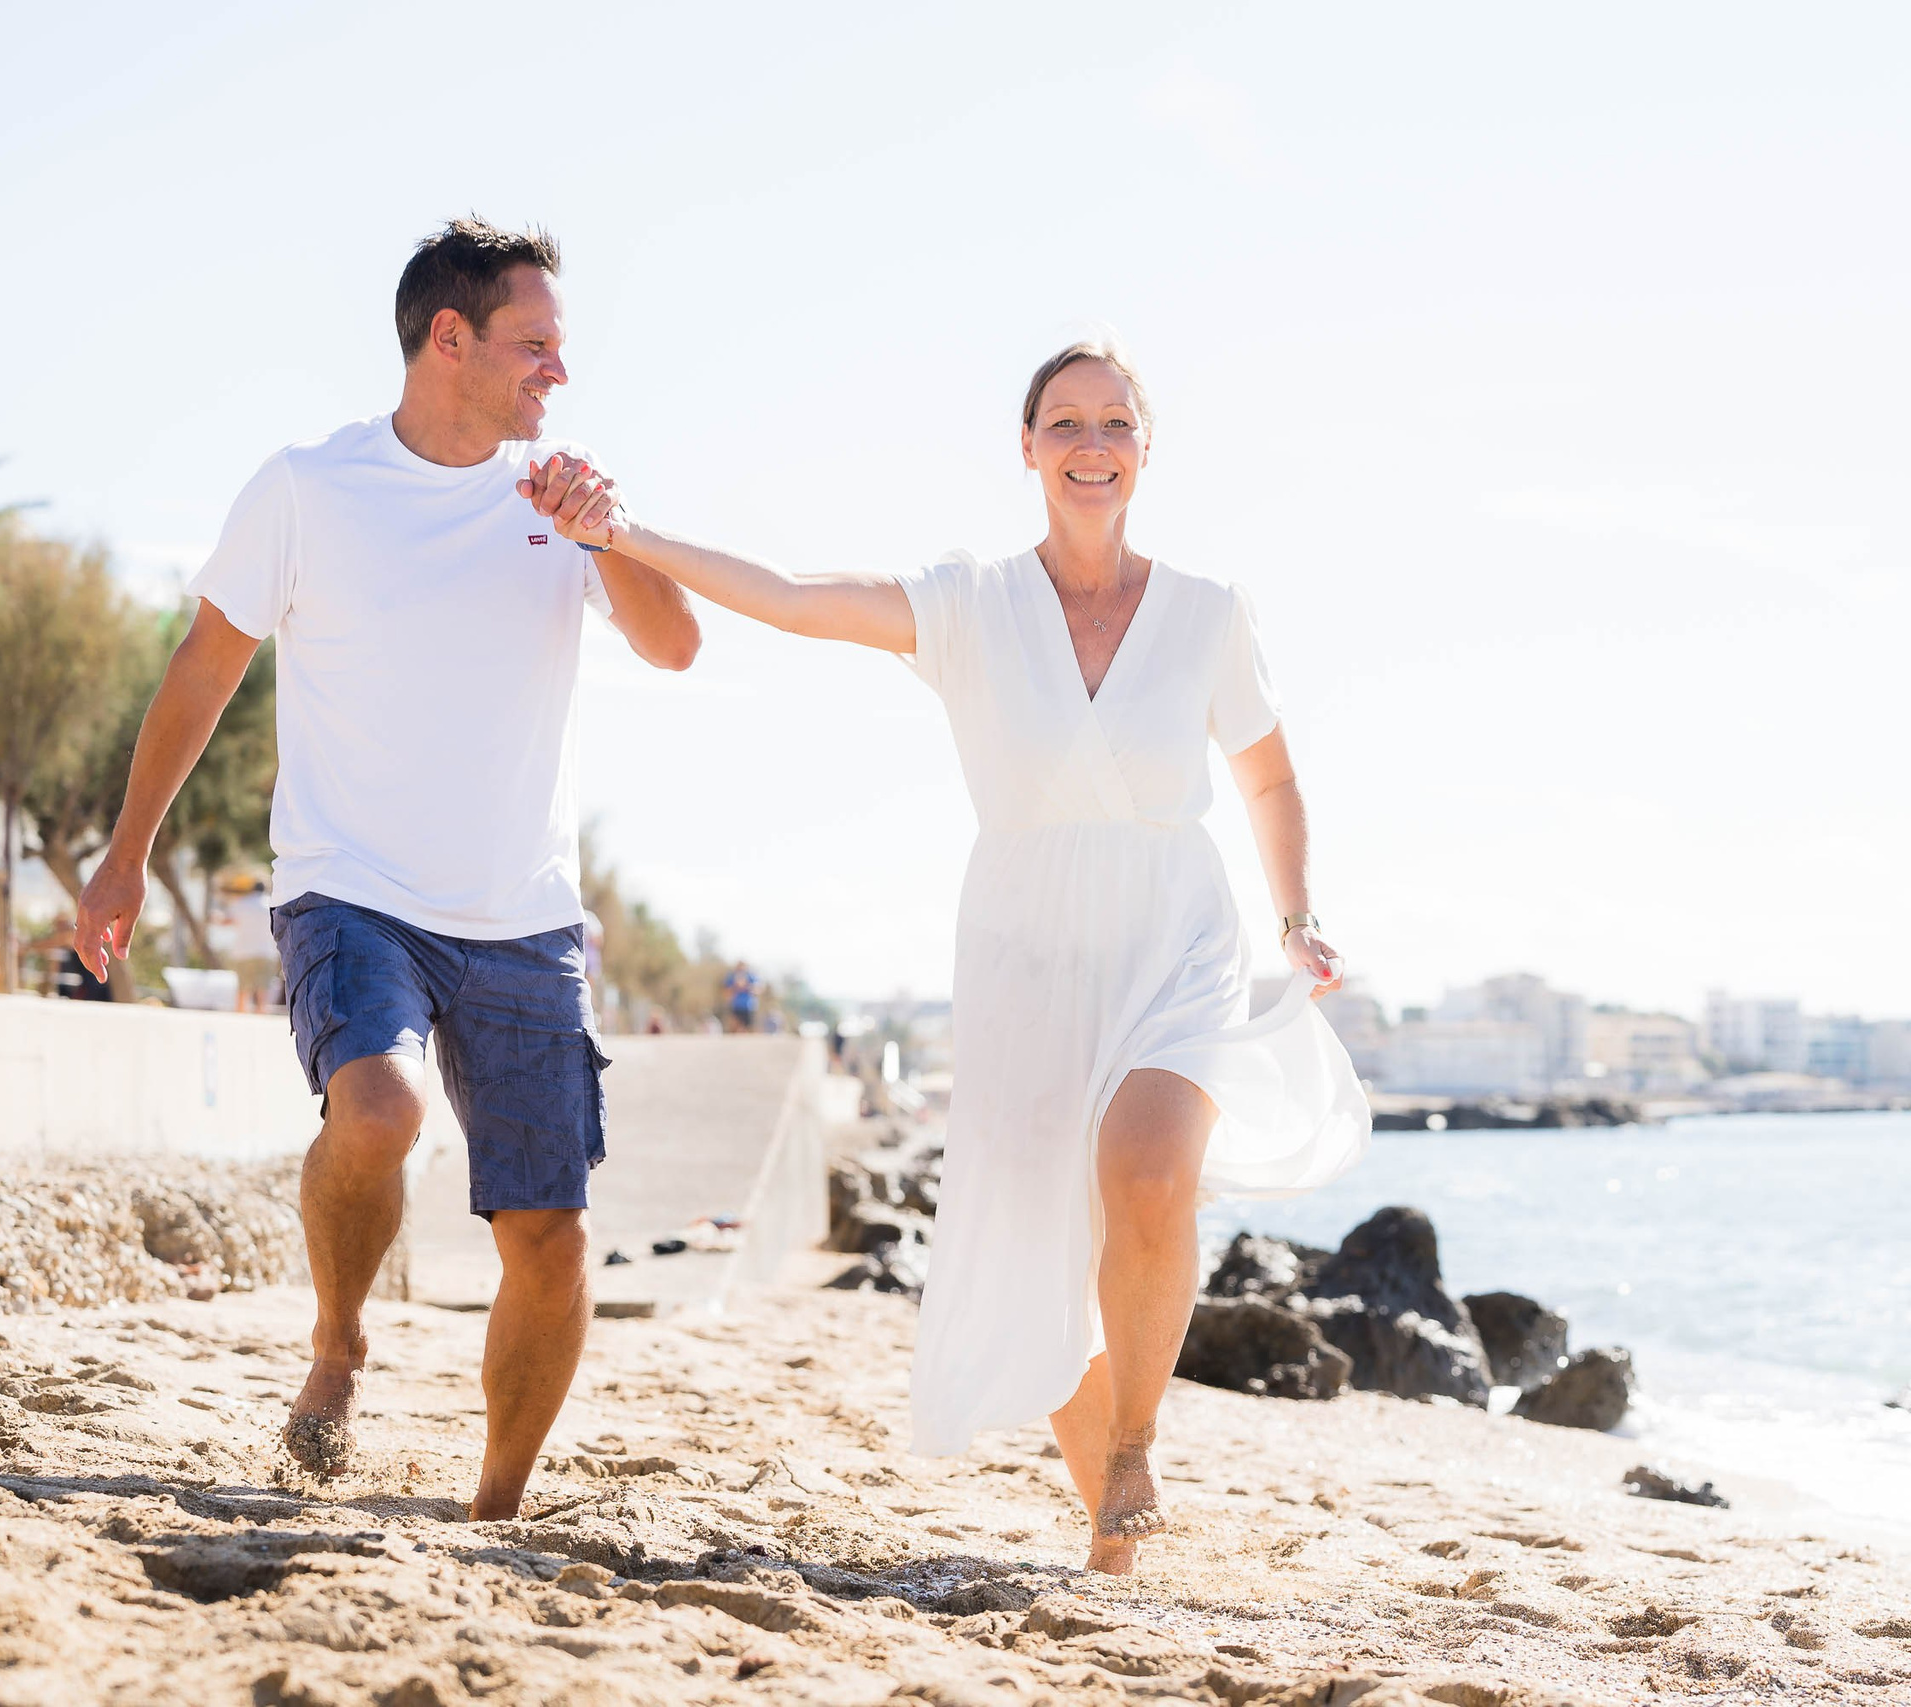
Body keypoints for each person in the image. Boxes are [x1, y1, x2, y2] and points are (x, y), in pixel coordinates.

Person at [519, 341, 1370, 1571]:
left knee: (1145, 1174)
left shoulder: (1207, 614)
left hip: (1173, 933)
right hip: (1028, 954)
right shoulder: (970, 605)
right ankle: (1109, 1540)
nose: (1091, 446)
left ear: (1144, 448)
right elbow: (796, 597)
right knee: (1039, 1251)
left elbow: (1269, 773)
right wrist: (623, 534)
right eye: (1065, 423)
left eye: (1115, 424)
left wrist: (1293, 915)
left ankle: (1135, 1441)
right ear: (1026, 447)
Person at [73, 218, 701, 1520]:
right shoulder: (311, 486)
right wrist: (122, 857)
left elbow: (676, 646)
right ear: (448, 339)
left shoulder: (565, 496)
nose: (557, 375)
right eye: (537, 345)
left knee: (550, 1234)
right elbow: (204, 667)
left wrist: (612, 537)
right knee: (379, 1113)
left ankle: (495, 1507)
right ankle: (341, 1337)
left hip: (524, 918)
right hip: (350, 889)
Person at [721, 960, 759, 1033]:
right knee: (735, 1027)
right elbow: (726, 992)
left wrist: (747, 986)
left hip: (749, 1007)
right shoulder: (732, 977)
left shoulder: (751, 977)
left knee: (747, 1028)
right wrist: (735, 987)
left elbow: (757, 990)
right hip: (736, 1006)